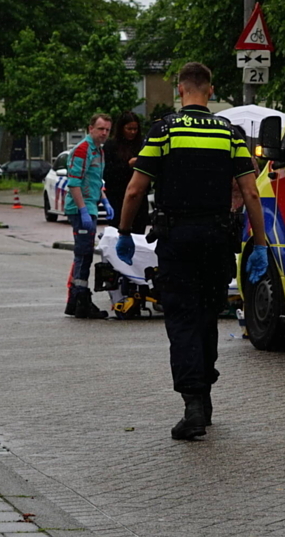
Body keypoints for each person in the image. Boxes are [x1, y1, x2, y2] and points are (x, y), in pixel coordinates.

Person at [114, 62, 268, 440]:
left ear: (180, 90)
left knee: (182, 320)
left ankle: (192, 405)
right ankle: (206, 395)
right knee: (205, 317)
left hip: (178, 241)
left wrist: (123, 232)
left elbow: (135, 189)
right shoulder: (229, 133)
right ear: (210, 91)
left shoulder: (164, 131)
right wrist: (260, 244)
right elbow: (250, 192)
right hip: (218, 240)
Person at [64, 113, 114, 320]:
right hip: (81, 208)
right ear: (90, 128)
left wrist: (104, 199)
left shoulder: (98, 151)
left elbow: (94, 180)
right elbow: (74, 183)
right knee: (83, 254)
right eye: (100, 129)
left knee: (84, 254)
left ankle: (76, 301)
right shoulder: (83, 150)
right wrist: (82, 209)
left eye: (107, 130)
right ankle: (81, 300)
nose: (104, 133)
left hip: (91, 206)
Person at [103, 111, 149, 235]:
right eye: (129, 129)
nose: (133, 132)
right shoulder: (111, 146)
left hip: (139, 199)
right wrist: (127, 165)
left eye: (135, 129)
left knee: (138, 235)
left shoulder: (142, 145)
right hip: (117, 197)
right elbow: (107, 172)